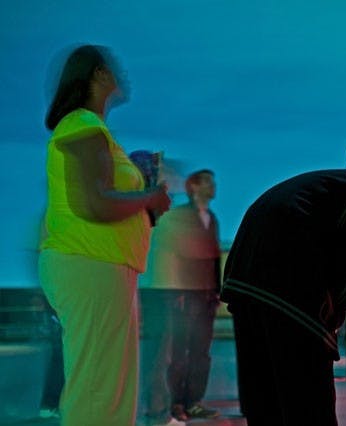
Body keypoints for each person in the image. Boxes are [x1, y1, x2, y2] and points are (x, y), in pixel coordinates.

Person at [221, 129, 346, 426]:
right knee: (309, 402)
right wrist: (329, 320)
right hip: (285, 284)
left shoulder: (332, 184)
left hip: (243, 280)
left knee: (267, 401)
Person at [39, 44, 171, 426]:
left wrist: (143, 203)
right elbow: (94, 203)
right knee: (99, 387)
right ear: (98, 74)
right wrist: (150, 196)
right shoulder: (82, 124)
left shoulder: (90, 128)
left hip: (102, 267)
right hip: (90, 264)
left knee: (106, 385)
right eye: (115, 68)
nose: (122, 75)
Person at [144, 170, 221, 421]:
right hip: (184, 294)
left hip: (206, 295)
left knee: (201, 351)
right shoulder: (177, 218)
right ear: (194, 187)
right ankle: (176, 403)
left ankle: (194, 401)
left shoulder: (212, 218)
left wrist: (217, 290)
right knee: (178, 351)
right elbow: (169, 254)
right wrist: (174, 290)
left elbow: (214, 258)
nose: (213, 187)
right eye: (208, 183)